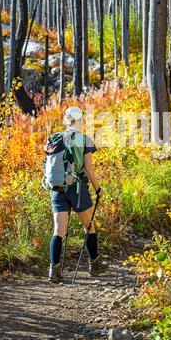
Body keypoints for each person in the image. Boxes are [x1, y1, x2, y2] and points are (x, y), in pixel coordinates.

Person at [48, 106, 107, 283]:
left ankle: (54, 270)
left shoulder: (54, 138)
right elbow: (88, 168)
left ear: (66, 120)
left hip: (57, 189)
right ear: (80, 120)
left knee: (59, 230)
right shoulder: (84, 140)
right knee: (89, 226)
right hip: (78, 189)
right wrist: (97, 189)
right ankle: (94, 264)